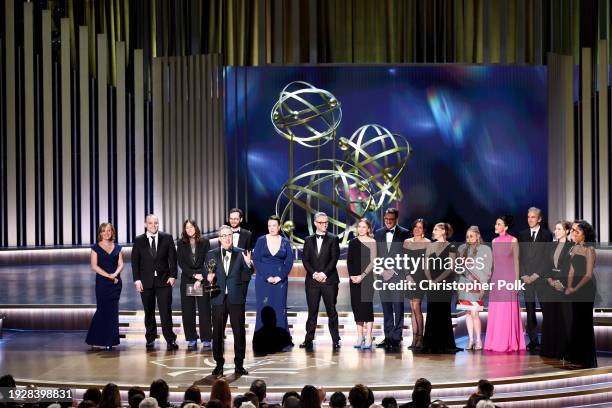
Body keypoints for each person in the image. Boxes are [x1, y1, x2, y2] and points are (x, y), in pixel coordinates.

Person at [207, 225, 253, 377]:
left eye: (229, 235)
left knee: (239, 332)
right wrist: (208, 278)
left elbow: (247, 275)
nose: (227, 238)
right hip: (218, 298)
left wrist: (248, 264)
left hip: (236, 298)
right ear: (219, 238)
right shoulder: (211, 254)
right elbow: (206, 273)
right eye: (224, 235)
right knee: (218, 333)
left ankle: (239, 365)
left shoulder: (241, 253)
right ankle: (219, 364)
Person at [132, 214, 178, 350]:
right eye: (150, 223)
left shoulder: (167, 238)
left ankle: (170, 339)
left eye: (156, 223)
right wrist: (137, 280)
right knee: (149, 311)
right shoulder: (139, 240)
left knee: (166, 311)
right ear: (145, 224)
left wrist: (173, 275)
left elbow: (173, 259)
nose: (153, 225)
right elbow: (135, 262)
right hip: (146, 282)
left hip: (164, 281)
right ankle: (150, 338)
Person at [300, 212, 341, 351]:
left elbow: (334, 259)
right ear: (316, 223)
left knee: (332, 311)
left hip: (329, 281)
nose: (325, 225)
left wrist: (324, 274)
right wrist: (314, 274)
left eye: (326, 222)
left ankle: (336, 340)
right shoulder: (308, 240)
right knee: (312, 312)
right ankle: (309, 339)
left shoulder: (333, 239)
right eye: (322, 222)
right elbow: (305, 260)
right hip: (312, 282)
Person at [484, 216, 526, 352]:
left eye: (499, 224)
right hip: (497, 279)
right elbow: (495, 264)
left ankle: (509, 342)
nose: (495, 226)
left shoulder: (513, 240)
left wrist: (517, 282)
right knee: (497, 310)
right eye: (495, 223)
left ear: (506, 227)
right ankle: (495, 341)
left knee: (507, 309)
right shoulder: (494, 241)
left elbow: (516, 262)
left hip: (509, 279)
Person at [374, 208, 410, 350]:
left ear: (396, 219)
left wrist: (393, 271)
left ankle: (397, 337)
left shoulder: (404, 233)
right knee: (386, 307)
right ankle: (388, 336)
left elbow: (405, 256)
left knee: (398, 307)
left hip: (398, 276)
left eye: (391, 219)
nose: (388, 221)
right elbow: (376, 256)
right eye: (386, 219)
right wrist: (383, 271)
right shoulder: (378, 233)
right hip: (383, 276)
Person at [421, 223, 460, 353]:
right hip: (431, 284)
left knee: (443, 312)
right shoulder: (430, 246)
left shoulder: (452, 247)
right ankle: (431, 343)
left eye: (436, 229)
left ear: (444, 231)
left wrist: (437, 280)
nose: (434, 231)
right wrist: (430, 280)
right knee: (432, 311)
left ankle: (445, 343)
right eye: (434, 229)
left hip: (444, 284)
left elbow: (451, 267)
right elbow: (425, 266)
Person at [518, 207, 553, 351]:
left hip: (541, 278)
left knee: (546, 310)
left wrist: (536, 275)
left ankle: (548, 340)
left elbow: (547, 258)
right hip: (527, 280)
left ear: (539, 219)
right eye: (528, 217)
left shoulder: (547, 235)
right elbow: (519, 257)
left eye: (533, 217)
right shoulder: (522, 234)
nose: (530, 219)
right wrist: (524, 275)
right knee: (530, 311)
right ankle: (533, 341)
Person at [252, 215, 294, 332]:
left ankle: (280, 338)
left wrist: (280, 277)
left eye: (274, 225)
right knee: (263, 307)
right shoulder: (261, 240)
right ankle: (262, 337)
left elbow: (289, 261)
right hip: (263, 280)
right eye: (269, 225)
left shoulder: (285, 242)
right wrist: (267, 276)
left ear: (279, 227)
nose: (271, 228)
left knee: (279, 308)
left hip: (280, 281)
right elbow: (256, 260)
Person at [565, 220, 598, 368]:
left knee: (584, 322)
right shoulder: (573, 248)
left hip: (585, 288)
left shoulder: (589, 250)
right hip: (575, 288)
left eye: (576, 231)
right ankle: (575, 356)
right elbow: (571, 270)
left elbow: (588, 274)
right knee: (575, 321)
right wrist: (569, 286)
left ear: (584, 234)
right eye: (572, 230)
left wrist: (575, 288)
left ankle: (584, 359)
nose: (573, 233)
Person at [86, 223, 123, 349]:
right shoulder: (96, 247)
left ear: (112, 232)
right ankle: (95, 338)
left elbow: (120, 264)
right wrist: (108, 275)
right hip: (103, 283)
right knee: (102, 310)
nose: (107, 233)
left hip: (115, 283)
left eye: (109, 230)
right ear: (100, 233)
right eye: (104, 231)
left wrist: (115, 275)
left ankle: (110, 341)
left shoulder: (117, 247)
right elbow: (94, 266)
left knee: (113, 312)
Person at [540, 221, 573, 360]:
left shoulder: (571, 247)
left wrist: (559, 282)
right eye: (555, 228)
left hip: (563, 287)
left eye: (559, 229)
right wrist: (549, 279)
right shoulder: (551, 246)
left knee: (563, 319)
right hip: (550, 287)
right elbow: (546, 265)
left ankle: (563, 351)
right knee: (550, 318)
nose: (556, 231)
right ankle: (549, 350)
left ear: (566, 231)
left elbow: (569, 266)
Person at [177, 219, 212, 351]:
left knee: (204, 310)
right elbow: (181, 263)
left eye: (191, 227)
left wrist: (200, 277)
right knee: (188, 311)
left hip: (202, 279)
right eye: (187, 227)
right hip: (188, 279)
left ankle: (207, 338)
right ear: (184, 230)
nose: (189, 229)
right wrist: (193, 275)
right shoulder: (181, 243)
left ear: (195, 228)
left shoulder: (204, 242)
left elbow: (207, 260)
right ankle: (191, 338)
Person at [456, 226, 492, 350]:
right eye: (467, 236)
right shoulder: (462, 249)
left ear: (478, 236)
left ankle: (479, 341)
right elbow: (458, 268)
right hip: (464, 284)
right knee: (467, 313)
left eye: (471, 236)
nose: (469, 238)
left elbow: (487, 269)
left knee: (475, 313)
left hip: (476, 284)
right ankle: (470, 340)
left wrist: (483, 285)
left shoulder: (485, 249)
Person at [347, 218, 377, 349]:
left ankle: (369, 336)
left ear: (369, 229)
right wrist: (353, 276)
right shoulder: (352, 242)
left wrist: (362, 276)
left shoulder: (372, 242)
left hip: (367, 278)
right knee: (357, 307)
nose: (361, 229)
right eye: (359, 226)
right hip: (354, 279)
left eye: (364, 227)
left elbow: (373, 261)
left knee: (366, 307)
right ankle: (360, 336)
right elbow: (350, 261)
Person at [403, 219, 430, 350]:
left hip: (421, 277)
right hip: (409, 277)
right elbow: (404, 261)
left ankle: (421, 338)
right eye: (415, 227)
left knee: (416, 306)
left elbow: (428, 264)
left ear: (424, 230)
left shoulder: (428, 243)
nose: (417, 229)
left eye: (420, 227)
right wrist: (407, 276)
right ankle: (414, 339)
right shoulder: (407, 242)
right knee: (412, 309)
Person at [229, 208, 255, 298]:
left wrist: (249, 264)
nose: (233, 221)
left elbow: (249, 253)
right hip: (226, 275)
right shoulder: (224, 233)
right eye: (231, 218)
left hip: (242, 275)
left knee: (240, 302)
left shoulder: (247, 234)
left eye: (236, 219)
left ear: (241, 219)